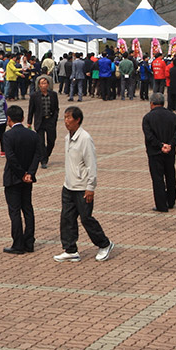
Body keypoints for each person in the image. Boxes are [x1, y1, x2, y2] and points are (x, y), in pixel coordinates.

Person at [53, 107, 113, 263]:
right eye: (64, 117)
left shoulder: (85, 138)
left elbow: (91, 164)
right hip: (69, 185)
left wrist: (90, 187)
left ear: (77, 119)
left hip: (82, 187)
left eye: (69, 118)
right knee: (67, 218)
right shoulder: (68, 138)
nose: (66, 121)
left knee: (86, 218)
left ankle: (104, 244)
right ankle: (70, 249)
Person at [1, 105, 40, 254]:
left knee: (15, 211)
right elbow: (37, 155)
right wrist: (30, 173)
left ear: (9, 119)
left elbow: (10, 158)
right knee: (28, 209)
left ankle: (18, 244)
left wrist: (21, 173)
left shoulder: (8, 136)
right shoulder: (33, 135)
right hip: (28, 179)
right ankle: (29, 242)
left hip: (13, 178)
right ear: (23, 118)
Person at [141, 92, 176, 212]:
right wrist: (170, 144)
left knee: (158, 178)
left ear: (152, 103)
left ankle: (161, 205)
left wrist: (160, 145)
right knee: (170, 175)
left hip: (155, 152)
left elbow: (149, 136)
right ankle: (171, 200)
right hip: (170, 152)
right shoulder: (173, 116)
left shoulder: (148, 118)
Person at [27, 75, 59, 169]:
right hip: (40, 121)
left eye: (45, 83)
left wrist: (55, 119)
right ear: (39, 85)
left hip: (50, 120)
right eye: (42, 83)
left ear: (48, 84)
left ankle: (46, 155)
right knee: (40, 142)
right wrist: (29, 121)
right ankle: (43, 160)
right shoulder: (34, 96)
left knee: (51, 141)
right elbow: (31, 109)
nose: (44, 85)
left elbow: (56, 108)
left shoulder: (53, 94)